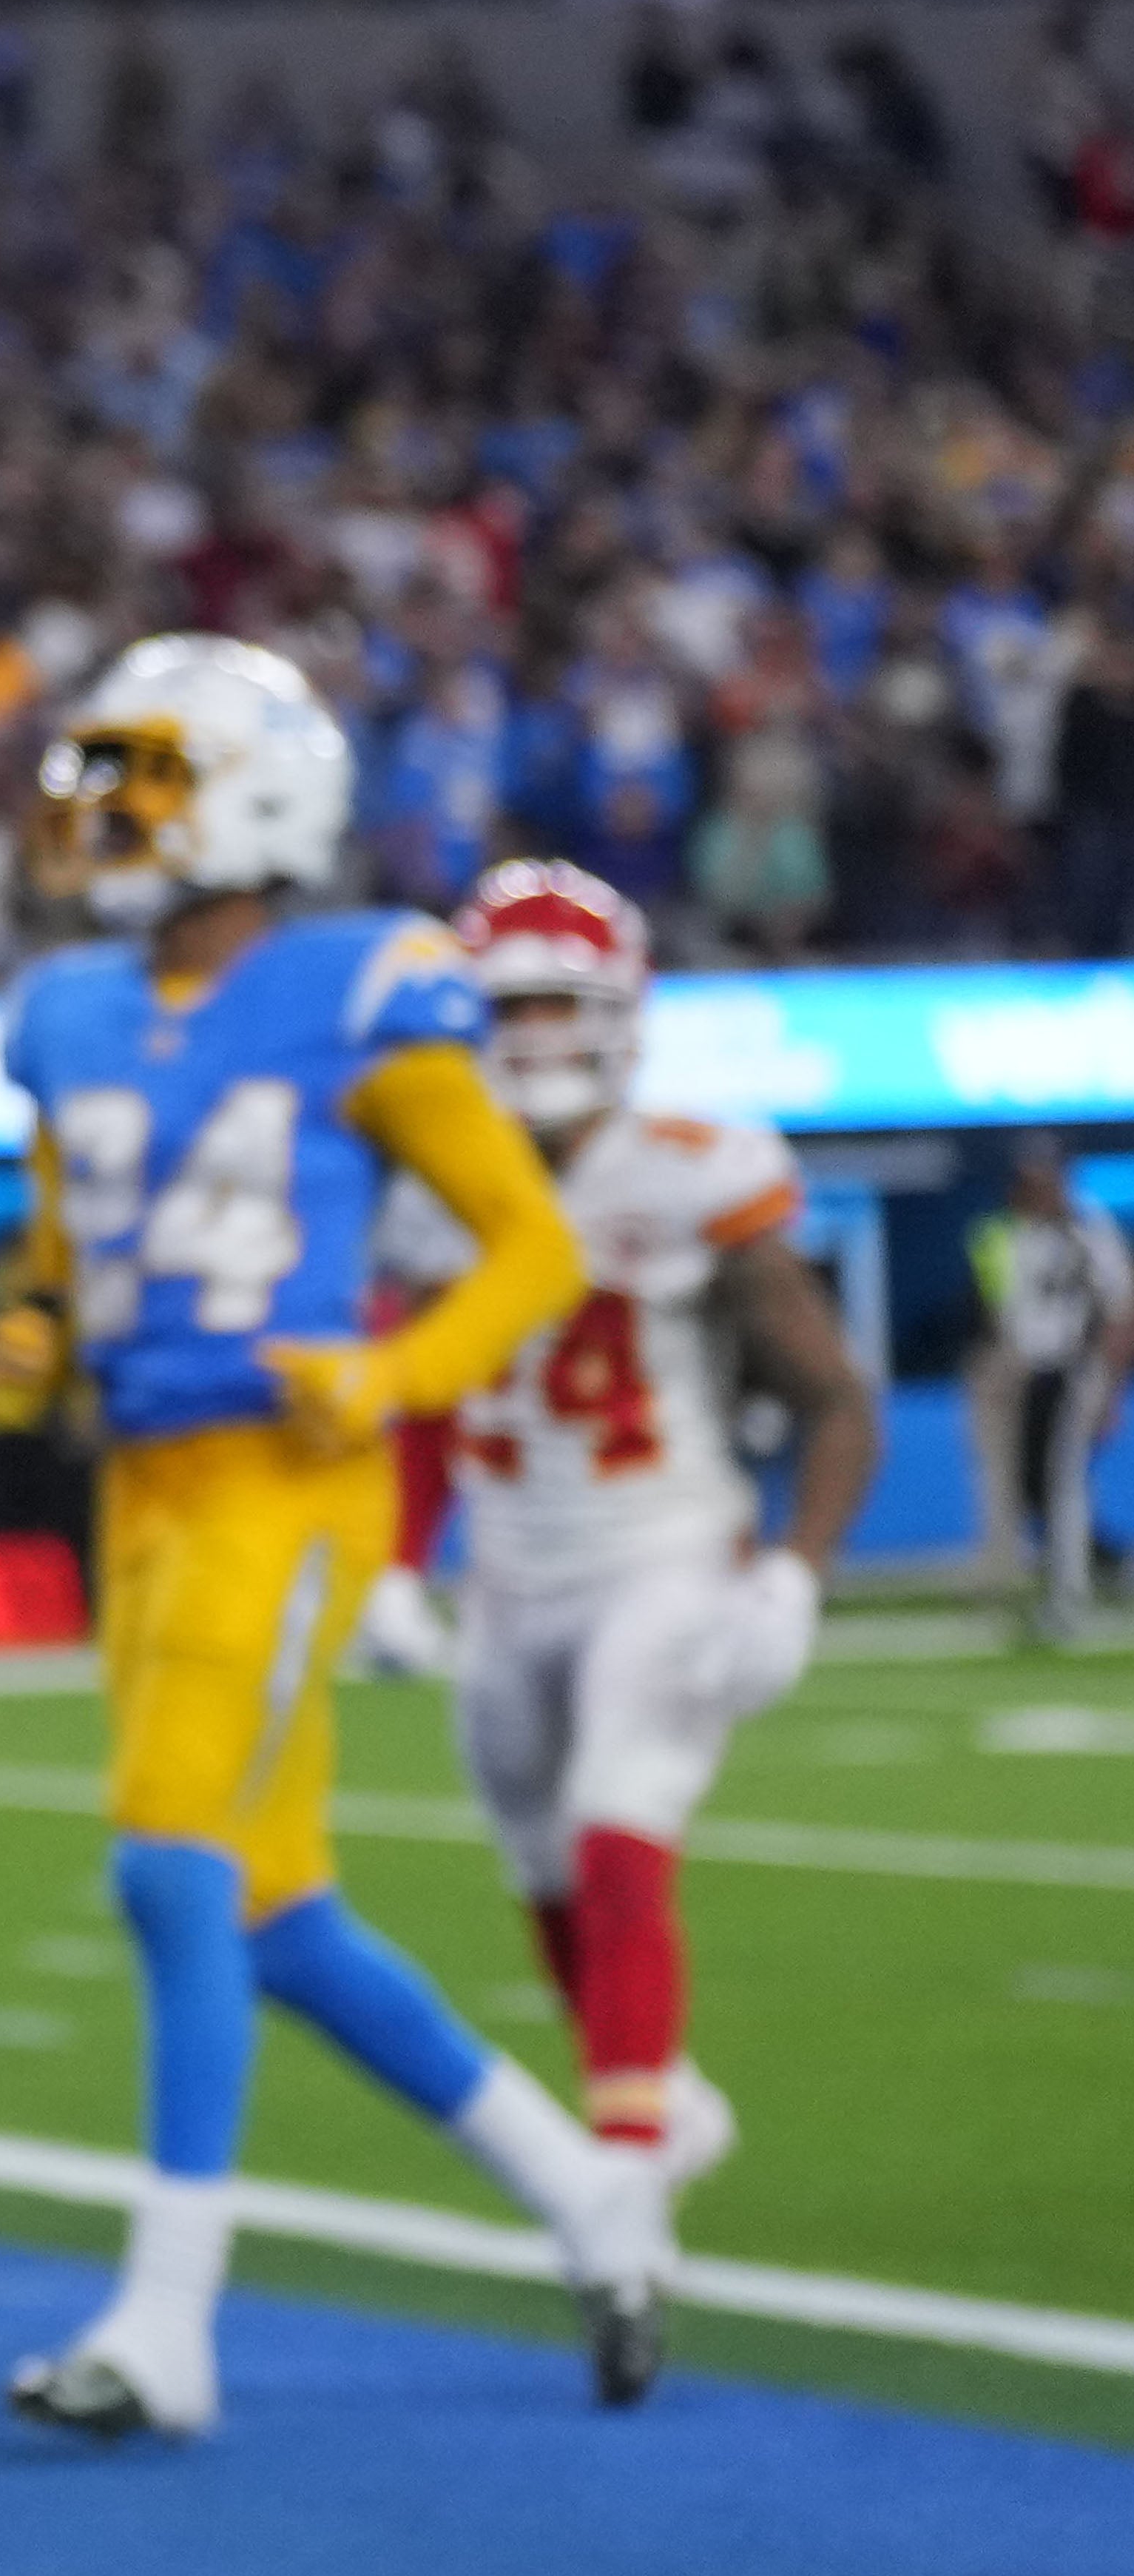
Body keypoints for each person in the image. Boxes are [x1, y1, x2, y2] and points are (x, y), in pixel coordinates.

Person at [0, 638, 679, 2444]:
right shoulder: (65, 1005)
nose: (100, 816)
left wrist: (390, 1374)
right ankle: (585, 2190)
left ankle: (167, 2320)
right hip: (147, 1484)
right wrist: (35, 1325)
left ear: (256, 800)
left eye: (140, 779)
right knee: (278, 1912)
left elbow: (527, 1247)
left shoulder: (364, 982)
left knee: (169, 1869)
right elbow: (70, 1231)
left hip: (296, 1483)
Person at [410, 862, 877, 2185]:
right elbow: (416, 1393)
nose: (542, 1032)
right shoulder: (422, 1178)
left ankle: (621, 2173)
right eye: (516, 1004)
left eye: (565, 999)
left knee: (620, 1828)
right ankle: (651, 2094)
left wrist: (793, 1575)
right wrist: (392, 1562)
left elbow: (835, 1397)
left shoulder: (691, 1170)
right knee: (540, 1863)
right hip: (507, 1568)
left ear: (622, 1008)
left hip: (662, 1550)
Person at [964, 1130, 1130, 1639]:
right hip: (1035, 1372)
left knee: (1061, 1485)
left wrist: (1107, 1384)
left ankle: (1067, 1600)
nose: (1032, 1189)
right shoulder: (1019, 1236)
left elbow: (1118, 1313)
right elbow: (1011, 1316)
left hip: (1074, 1369)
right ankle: (1094, 1570)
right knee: (1037, 1483)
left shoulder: (1089, 1232)